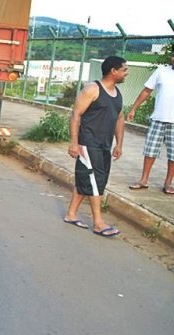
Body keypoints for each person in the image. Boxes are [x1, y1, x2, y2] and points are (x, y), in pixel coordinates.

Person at [63, 55, 128, 237]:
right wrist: (74, 143)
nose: (126, 73)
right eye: (124, 70)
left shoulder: (118, 94)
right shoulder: (92, 89)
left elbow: (119, 118)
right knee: (94, 181)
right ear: (113, 71)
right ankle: (98, 223)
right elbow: (76, 114)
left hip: (104, 145)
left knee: (90, 179)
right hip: (88, 143)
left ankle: (71, 214)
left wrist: (119, 144)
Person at [126, 51, 174, 194]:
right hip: (158, 119)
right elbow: (147, 91)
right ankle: (144, 180)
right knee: (150, 151)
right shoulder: (161, 71)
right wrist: (133, 109)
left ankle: (168, 183)